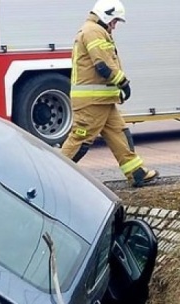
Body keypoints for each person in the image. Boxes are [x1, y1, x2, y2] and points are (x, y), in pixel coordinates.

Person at [59, 1, 158, 187]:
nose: (114, 26)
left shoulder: (94, 30)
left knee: (119, 134)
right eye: (114, 21)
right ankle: (53, 174)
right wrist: (123, 82)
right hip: (92, 102)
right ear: (105, 15)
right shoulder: (93, 31)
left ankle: (136, 173)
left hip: (101, 100)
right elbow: (103, 64)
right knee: (80, 140)